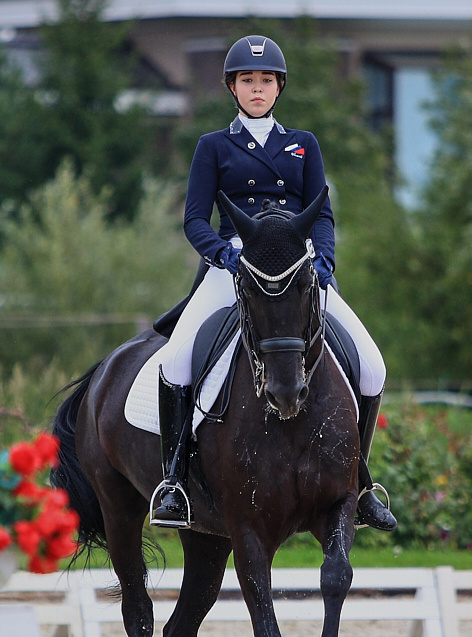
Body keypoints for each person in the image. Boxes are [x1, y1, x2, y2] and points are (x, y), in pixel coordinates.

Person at [149, 34, 396, 533]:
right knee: (175, 361)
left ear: (278, 87)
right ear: (232, 88)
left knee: (371, 364)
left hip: (299, 270)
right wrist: (225, 254)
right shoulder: (213, 146)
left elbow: (321, 213)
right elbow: (196, 218)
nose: (257, 89)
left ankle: (361, 482)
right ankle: (174, 480)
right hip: (235, 267)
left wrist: (324, 260)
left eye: (265, 81)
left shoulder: (303, 144)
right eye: (247, 81)